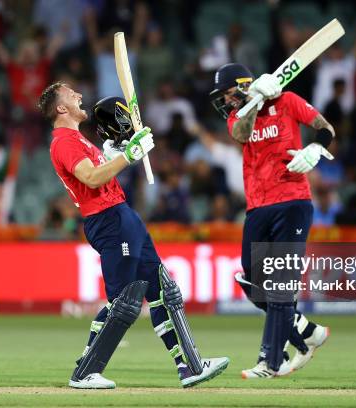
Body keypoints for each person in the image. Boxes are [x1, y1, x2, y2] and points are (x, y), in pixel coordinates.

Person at [38, 83, 228, 389]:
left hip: (122, 215)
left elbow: (101, 172)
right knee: (124, 302)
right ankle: (85, 372)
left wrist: (117, 151)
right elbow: (90, 177)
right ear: (61, 108)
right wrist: (128, 155)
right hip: (108, 220)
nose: (80, 96)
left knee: (164, 293)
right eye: (73, 95)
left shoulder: (79, 140)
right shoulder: (63, 141)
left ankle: (190, 366)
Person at [210, 63, 331, 379]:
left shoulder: (288, 101)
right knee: (250, 278)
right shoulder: (239, 116)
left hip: (293, 201)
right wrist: (253, 101)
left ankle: (270, 361)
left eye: (226, 94)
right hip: (258, 206)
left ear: (240, 85)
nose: (225, 102)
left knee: (280, 283)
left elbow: (325, 128)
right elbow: (240, 134)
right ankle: (304, 331)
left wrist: (317, 149)